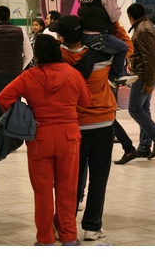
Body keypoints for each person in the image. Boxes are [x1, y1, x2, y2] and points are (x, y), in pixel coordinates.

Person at [0, 34, 91, 246]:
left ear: (37, 54)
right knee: (67, 189)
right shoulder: (73, 73)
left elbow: (4, 97)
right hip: (69, 136)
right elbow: (85, 101)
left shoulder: (29, 76)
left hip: (40, 137)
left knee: (42, 192)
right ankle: (68, 236)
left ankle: (45, 239)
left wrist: (24, 116)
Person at [53, 14, 133, 240]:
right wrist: (113, 22)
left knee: (69, 179)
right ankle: (92, 227)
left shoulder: (58, 57)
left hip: (72, 124)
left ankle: (62, 226)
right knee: (99, 177)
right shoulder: (104, 55)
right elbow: (127, 46)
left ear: (62, 36)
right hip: (103, 122)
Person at [126, 3, 155, 159]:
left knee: (134, 109)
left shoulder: (143, 30)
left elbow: (149, 58)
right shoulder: (148, 26)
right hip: (146, 74)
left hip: (143, 75)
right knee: (143, 109)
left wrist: (148, 82)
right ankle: (144, 146)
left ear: (130, 16)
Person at [0, 5, 33, 119]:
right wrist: (20, 67)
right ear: (9, 17)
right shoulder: (20, 32)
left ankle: (1, 132)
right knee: (15, 103)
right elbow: (29, 55)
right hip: (15, 74)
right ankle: (14, 132)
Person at [77, 0, 128, 83]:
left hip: (84, 36)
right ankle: (115, 77)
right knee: (122, 48)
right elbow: (114, 16)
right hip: (100, 36)